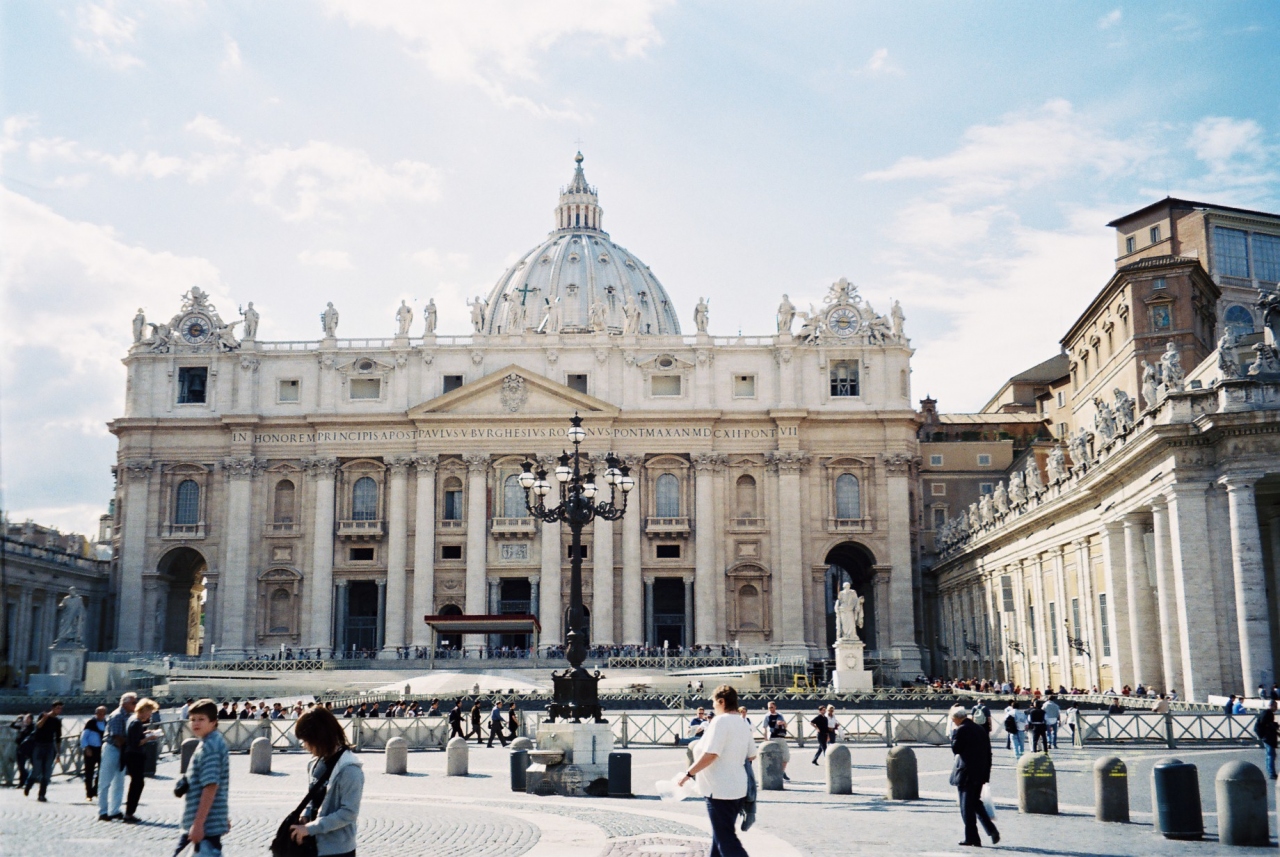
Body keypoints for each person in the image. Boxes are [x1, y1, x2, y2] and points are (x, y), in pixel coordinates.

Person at [678, 685, 757, 857]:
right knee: (720, 836)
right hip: (737, 788)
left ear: (721, 701)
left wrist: (688, 773)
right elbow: (752, 755)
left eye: (714, 702)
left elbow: (711, 754)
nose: (712, 706)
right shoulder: (742, 722)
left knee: (726, 839)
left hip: (719, 789)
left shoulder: (720, 721)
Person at [290, 706, 365, 856]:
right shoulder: (314, 763)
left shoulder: (350, 770)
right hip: (313, 844)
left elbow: (348, 813)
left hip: (337, 849)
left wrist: (310, 828)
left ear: (319, 738)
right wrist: (305, 814)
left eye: (306, 741)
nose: (304, 746)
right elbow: (313, 796)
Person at [176, 699, 230, 856]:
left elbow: (211, 785)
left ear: (213, 722)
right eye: (192, 719)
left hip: (203, 827)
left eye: (201, 719)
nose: (195, 723)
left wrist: (198, 824)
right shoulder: (211, 741)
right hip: (209, 823)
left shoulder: (209, 747)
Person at [949, 704, 999, 847]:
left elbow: (956, 749)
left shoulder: (961, 730)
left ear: (957, 718)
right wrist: (986, 775)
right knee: (976, 803)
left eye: (953, 720)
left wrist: (954, 734)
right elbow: (988, 753)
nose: (953, 722)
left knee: (966, 808)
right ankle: (991, 829)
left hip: (966, 774)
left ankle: (972, 838)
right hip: (980, 773)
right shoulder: (979, 728)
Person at [99, 692, 137, 821]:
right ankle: (103, 811)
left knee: (119, 782)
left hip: (121, 750)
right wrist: (133, 742)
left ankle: (114, 810)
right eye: (133, 703)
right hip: (112, 749)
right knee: (105, 781)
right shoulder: (117, 716)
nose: (135, 705)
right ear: (125, 703)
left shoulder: (129, 716)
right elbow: (117, 738)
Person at [121, 698, 159, 822]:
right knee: (137, 784)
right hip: (134, 756)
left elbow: (134, 736)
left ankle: (129, 812)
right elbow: (136, 742)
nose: (150, 715)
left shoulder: (133, 720)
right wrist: (149, 738)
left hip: (131, 755)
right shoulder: (136, 722)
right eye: (149, 712)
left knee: (136, 783)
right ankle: (129, 813)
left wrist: (146, 733)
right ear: (144, 710)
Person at [26, 701, 63, 802]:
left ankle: (42, 794)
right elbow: (38, 726)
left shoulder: (57, 721)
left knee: (47, 772)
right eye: (58, 708)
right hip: (38, 745)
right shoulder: (43, 715)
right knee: (36, 769)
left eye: (61, 708)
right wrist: (45, 717)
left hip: (50, 746)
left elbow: (58, 738)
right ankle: (28, 784)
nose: (59, 710)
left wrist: (58, 753)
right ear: (53, 708)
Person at [81, 706, 108, 801]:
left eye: (103, 713)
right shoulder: (90, 723)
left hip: (102, 750)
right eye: (99, 713)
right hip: (91, 749)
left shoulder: (106, 724)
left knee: (101, 772)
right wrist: (86, 747)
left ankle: (95, 790)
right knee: (89, 772)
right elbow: (84, 737)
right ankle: (88, 794)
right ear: (96, 714)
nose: (101, 715)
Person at [764, 701, 791, 781]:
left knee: (786, 756)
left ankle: (781, 771)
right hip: (772, 737)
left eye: (771, 707)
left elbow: (786, 726)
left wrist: (783, 723)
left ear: (775, 707)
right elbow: (764, 728)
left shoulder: (780, 715)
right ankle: (774, 773)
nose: (770, 709)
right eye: (769, 707)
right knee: (772, 757)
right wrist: (765, 739)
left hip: (781, 737)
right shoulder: (767, 716)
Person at [11, 713, 34, 791]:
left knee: (31, 766)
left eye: (28, 719)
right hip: (20, 748)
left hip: (28, 749)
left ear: (31, 719)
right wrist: (17, 720)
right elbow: (12, 725)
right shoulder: (24, 727)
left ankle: (28, 779)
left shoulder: (32, 727)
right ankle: (22, 782)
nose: (26, 720)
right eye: (25, 719)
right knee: (20, 766)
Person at [1257, 700, 1279, 780]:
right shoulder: (1267, 713)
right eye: (1275, 706)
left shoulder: (1267, 713)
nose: (1276, 708)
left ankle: (1270, 772)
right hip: (1268, 737)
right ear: (1271, 705)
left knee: (1269, 755)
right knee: (1271, 755)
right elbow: (1263, 725)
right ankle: (1271, 773)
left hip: (1267, 737)